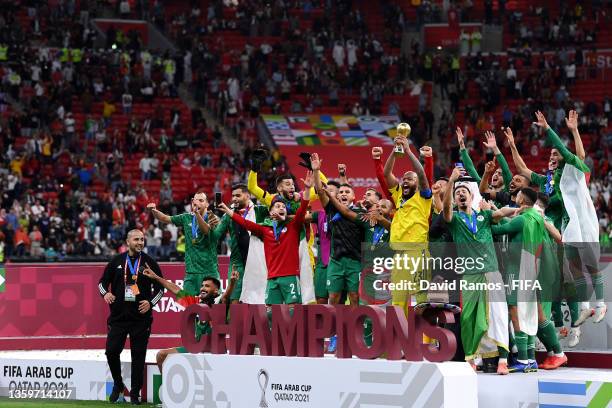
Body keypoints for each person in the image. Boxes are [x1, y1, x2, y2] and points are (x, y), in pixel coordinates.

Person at [443, 166, 510, 375]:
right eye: (457, 193)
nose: (460, 194)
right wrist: (451, 182)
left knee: (498, 314)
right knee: (469, 317)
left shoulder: (484, 217)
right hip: (470, 275)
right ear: (454, 200)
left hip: (491, 271)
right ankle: (471, 358)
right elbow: (445, 210)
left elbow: (502, 213)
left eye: (464, 191)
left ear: (472, 196)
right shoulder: (454, 220)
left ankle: (503, 361)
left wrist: (499, 209)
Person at [217, 171, 312, 306]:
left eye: (283, 207)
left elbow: (302, 208)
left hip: (290, 275)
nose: (281, 208)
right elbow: (245, 223)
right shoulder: (264, 230)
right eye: (277, 206)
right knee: (270, 312)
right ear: (271, 211)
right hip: (272, 278)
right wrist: (228, 211)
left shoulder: (294, 225)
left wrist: (307, 189)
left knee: (293, 309)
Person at [98, 229, 164, 405]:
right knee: (111, 351)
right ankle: (118, 385)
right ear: (128, 242)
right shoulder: (117, 261)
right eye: (136, 239)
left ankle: (135, 394)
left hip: (141, 319)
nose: (140, 243)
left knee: (138, 356)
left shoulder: (149, 263)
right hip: (118, 318)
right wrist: (105, 294)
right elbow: (102, 283)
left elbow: (161, 288)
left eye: (142, 240)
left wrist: (150, 303)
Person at [144, 266, 239, 373]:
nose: (203, 288)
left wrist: (232, 283)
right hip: (196, 349)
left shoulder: (219, 303)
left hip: (215, 351)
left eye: (207, 286)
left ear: (216, 291)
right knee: (161, 355)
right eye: (202, 286)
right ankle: (166, 387)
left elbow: (226, 296)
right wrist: (156, 277)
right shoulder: (195, 302)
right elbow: (176, 290)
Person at [383, 136, 432, 310]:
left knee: (420, 300)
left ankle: (427, 337)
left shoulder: (424, 196)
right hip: (399, 255)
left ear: (417, 184)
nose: (405, 180)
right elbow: (387, 174)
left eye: (409, 179)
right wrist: (395, 151)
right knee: (397, 301)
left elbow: (421, 174)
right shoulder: (398, 197)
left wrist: (408, 150)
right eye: (404, 178)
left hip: (417, 253)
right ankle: (399, 337)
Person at [147, 192, 219, 295]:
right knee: (188, 306)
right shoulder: (186, 217)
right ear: (192, 202)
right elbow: (165, 218)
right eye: (195, 200)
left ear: (207, 204)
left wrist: (197, 214)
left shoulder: (213, 219)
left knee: (212, 307)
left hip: (209, 271)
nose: (197, 203)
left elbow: (206, 231)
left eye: (201, 201)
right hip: (191, 272)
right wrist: (154, 211)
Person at [209, 184, 268, 303]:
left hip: (258, 262)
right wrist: (212, 226)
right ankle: (234, 321)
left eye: (238, 195)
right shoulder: (228, 215)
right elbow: (215, 236)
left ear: (248, 195)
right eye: (233, 196)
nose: (234, 198)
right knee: (235, 300)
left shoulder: (260, 211)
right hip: (238, 263)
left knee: (259, 300)